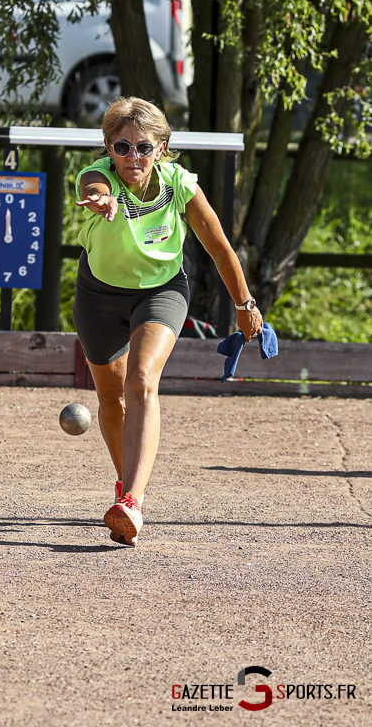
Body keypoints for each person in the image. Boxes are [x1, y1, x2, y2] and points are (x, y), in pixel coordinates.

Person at [73, 96, 263, 547]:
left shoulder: (179, 184)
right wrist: (101, 200)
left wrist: (245, 304)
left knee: (142, 378)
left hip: (161, 291)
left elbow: (219, 247)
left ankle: (132, 502)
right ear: (108, 147)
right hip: (98, 296)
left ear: (161, 148)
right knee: (112, 399)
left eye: (143, 147)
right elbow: (95, 185)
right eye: (122, 147)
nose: (132, 157)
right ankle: (126, 486)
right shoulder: (96, 176)